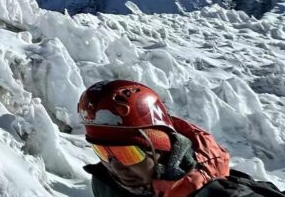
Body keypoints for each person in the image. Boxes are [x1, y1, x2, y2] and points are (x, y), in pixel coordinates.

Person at [79, 80, 284, 196]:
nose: (115, 167)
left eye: (127, 154)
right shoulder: (106, 184)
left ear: (160, 148)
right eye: (103, 152)